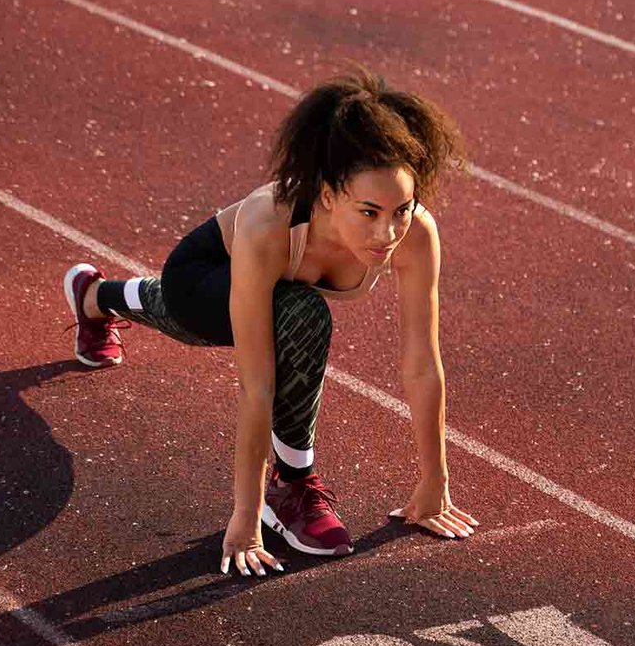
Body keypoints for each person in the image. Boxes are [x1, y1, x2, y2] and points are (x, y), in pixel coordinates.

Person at [60, 67, 479, 576]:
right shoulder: (269, 223)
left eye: (402, 209)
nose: (387, 231)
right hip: (203, 275)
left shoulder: (415, 234)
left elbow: (421, 363)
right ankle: (292, 486)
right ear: (327, 196)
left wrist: (434, 482)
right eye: (368, 212)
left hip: (271, 288)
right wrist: (243, 517)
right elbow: (256, 386)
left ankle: (95, 298)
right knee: (295, 313)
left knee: (291, 309)